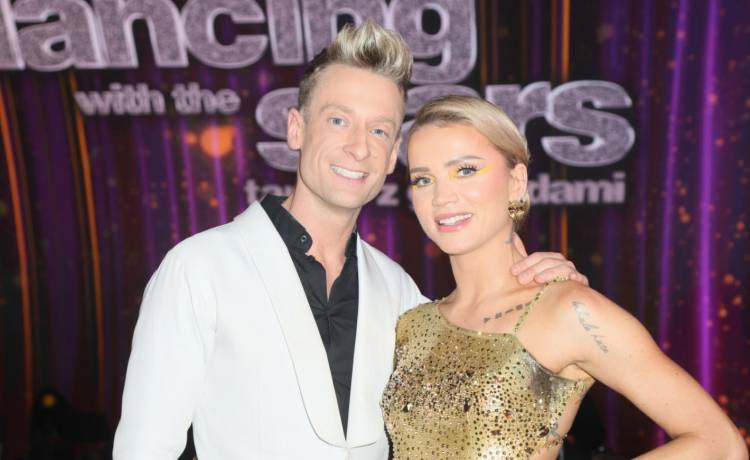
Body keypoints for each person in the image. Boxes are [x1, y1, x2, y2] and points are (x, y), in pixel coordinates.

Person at [112, 22, 585, 460]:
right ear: (296, 128)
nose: (359, 147)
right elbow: (143, 449)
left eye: (379, 130)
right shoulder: (201, 267)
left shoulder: (400, 293)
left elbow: (493, 395)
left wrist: (543, 293)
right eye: (339, 120)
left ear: (392, 154)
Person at [381, 95, 748, 459]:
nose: (442, 197)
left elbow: (721, 444)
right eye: (423, 179)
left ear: (516, 182)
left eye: (465, 170)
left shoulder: (569, 311)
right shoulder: (412, 325)